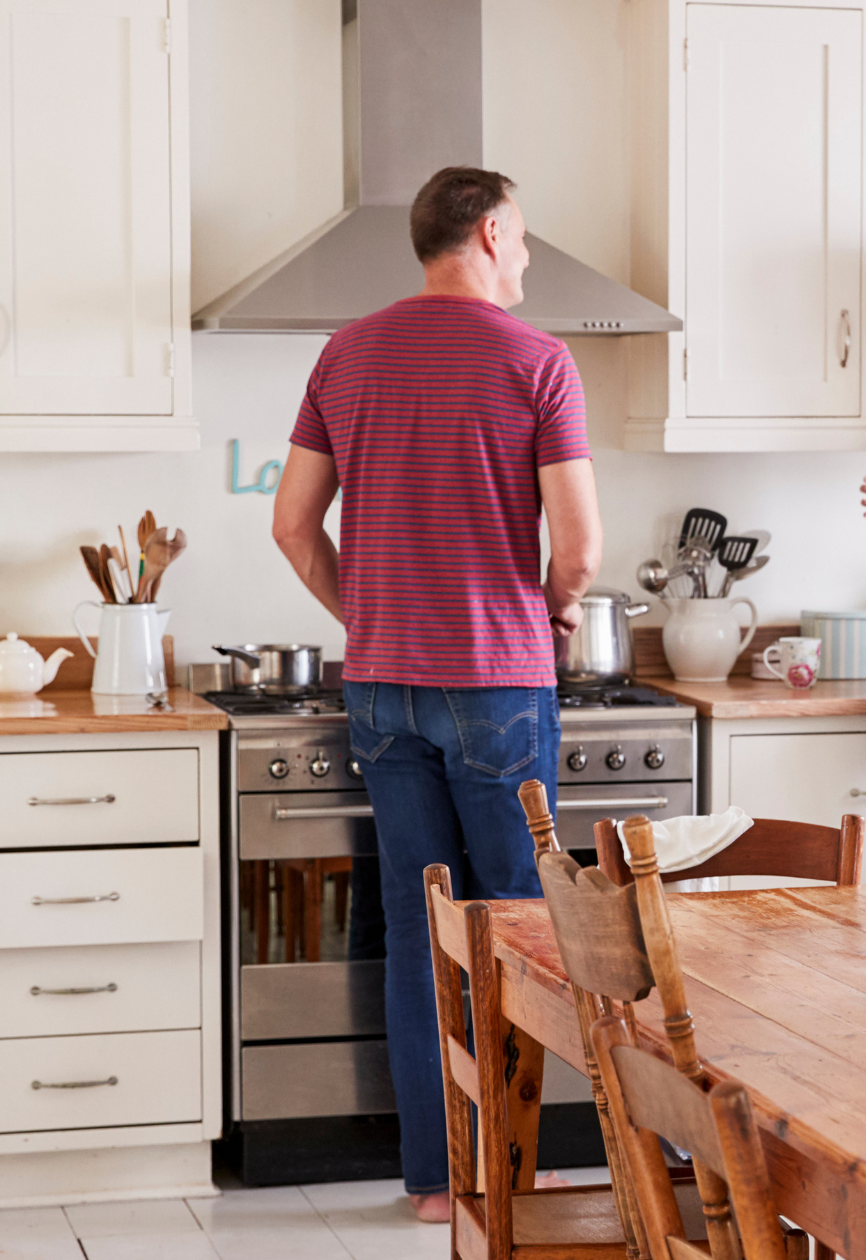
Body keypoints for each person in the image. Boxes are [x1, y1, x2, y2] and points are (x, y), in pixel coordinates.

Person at [272, 166, 601, 1222]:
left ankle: (429, 1181)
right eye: (526, 237)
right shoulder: (536, 361)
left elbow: (288, 525)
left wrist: (363, 616)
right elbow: (582, 547)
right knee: (513, 924)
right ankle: (506, 1174)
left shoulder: (344, 352)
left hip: (380, 685)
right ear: (492, 232)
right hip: (496, 685)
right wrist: (548, 612)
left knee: (422, 929)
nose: (530, 257)